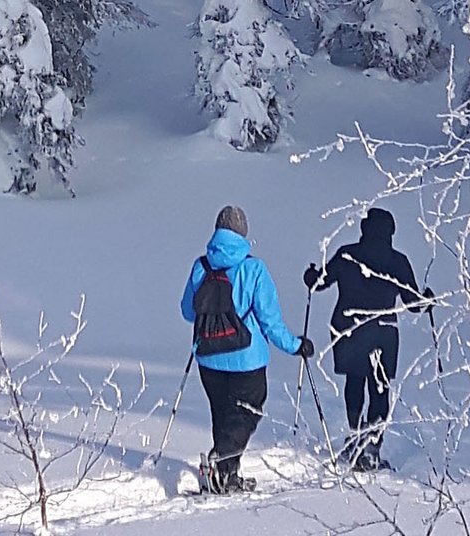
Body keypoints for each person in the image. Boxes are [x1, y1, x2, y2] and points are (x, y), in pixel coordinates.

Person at [180, 204, 314, 494]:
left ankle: (226, 477)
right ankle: (221, 462)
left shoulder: (201, 266)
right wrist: (296, 346)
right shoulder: (254, 269)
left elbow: (188, 312)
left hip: (207, 357)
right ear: (243, 234)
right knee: (246, 414)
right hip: (246, 361)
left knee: (222, 414)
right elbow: (270, 321)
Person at [304, 207, 431, 471]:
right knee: (380, 388)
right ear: (390, 232)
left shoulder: (348, 253)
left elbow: (319, 283)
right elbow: (413, 304)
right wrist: (428, 299)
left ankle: (354, 437)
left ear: (364, 229)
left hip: (348, 327)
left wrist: (311, 276)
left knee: (354, 381)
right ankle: (371, 447)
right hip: (383, 332)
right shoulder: (398, 261)